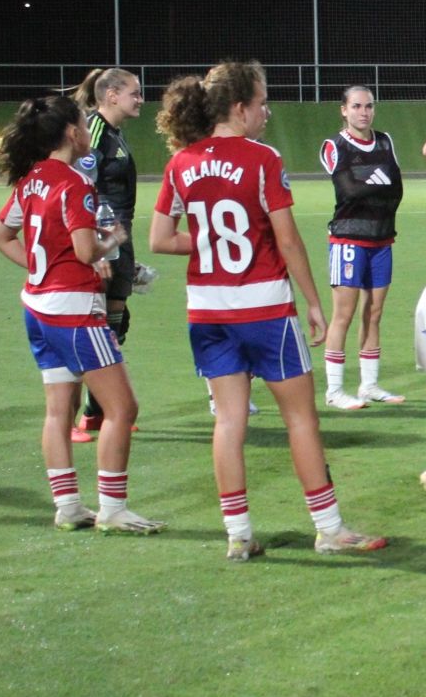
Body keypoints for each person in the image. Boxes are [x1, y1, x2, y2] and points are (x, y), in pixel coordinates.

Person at [148, 61, 386, 560]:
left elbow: (160, 239)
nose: (266, 111)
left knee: (229, 421)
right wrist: (315, 303)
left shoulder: (182, 162)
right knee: (300, 419)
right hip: (264, 308)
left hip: (207, 311)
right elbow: (287, 238)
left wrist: (211, 241)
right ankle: (330, 528)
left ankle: (238, 535)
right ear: (239, 108)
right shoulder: (262, 158)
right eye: (260, 103)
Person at [0, 94, 164, 534]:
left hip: (37, 306)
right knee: (122, 408)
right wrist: (113, 240)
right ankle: (113, 508)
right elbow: (87, 251)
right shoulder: (74, 183)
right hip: (74, 310)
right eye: (84, 125)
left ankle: (67, 506)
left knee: (57, 411)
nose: (88, 132)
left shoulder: (29, 180)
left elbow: (0, 236)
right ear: (71, 133)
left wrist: (43, 266)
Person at [70, 68, 152, 444]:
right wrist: (97, 249)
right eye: (135, 93)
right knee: (94, 326)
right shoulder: (96, 130)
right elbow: (83, 188)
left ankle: (98, 410)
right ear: (112, 95)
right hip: (103, 238)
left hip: (118, 236)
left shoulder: (114, 132)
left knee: (115, 323)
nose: (141, 99)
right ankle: (83, 413)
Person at [319, 85, 406, 410]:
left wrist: (370, 183)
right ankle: (335, 389)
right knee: (344, 314)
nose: (363, 112)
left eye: (368, 106)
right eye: (356, 106)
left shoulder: (385, 141)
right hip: (348, 239)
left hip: (382, 238)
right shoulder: (334, 145)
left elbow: (395, 187)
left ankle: (369, 385)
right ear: (344, 110)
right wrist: (377, 182)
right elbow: (348, 190)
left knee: (374, 313)